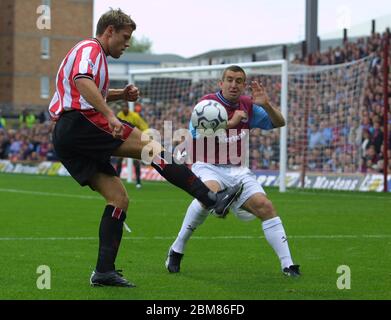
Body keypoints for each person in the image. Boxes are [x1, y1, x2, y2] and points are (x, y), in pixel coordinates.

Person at [48, 9, 242, 288]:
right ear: (109, 31)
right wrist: (112, 115)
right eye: (125, 38)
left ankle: (103, 272)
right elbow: (82, 81)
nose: (127, 44)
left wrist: (120, 95)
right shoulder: (91, 48)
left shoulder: (94, 56)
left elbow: (86, 88)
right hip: (80, 122)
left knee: (119, 199)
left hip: (67, 134)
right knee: (152, 147)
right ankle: (212, 199)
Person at [166, 65, 300, 277]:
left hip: (238, 169)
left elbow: (279, 122)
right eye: (229, 79)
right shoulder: (206, 104)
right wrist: (231, 123)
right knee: (208, 193)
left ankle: (288, 264)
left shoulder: (248, 105)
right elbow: (197, 137)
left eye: (239, 81)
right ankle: (177, 249)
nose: (233, 84)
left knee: (265, 206)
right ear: (221, 83)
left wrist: (267, 105)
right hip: (207, 164)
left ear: (244, 85)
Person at [116, 102, 148, 188]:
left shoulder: (135, 116)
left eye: (125, 107)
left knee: (136, 162)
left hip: (133, 141)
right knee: (119, 161)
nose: (124, 109)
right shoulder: (120, 115)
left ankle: (138, 181)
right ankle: (117, 180)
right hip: (123, 141)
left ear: (128, 108)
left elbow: (144, 127)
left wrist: (141, 136)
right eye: (123, 107)